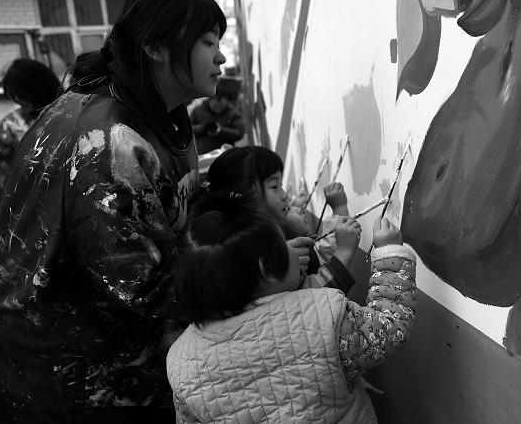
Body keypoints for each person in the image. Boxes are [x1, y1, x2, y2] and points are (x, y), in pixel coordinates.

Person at [0, 0, 226, 422]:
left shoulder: (158, 109)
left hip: (107, 351)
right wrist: (255, 265)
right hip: (66, 377)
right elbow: (147, 285)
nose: (221, 56)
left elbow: (168, 203)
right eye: (208, 42)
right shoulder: (106, 140)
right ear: (155, 47)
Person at [166, 191, 417, 423]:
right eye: (282, 244)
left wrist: (280, 257)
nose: (290, 246)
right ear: (267, 269)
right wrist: (390, 253)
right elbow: (389, 329)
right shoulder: (324, 319)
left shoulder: (181, 362)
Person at [205, 145, 358, 293]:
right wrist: (344, 250)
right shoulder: (256, 256)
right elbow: (314, 300)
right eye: (274, 186)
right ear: (243, 197)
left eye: (281, 184)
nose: (285, 195)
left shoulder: (254, 243)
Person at [0, 58, 62, 205]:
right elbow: (3, 181)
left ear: (40, 87)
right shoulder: (11, 127)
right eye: (14, 96)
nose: (19, 100)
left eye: (22, 94)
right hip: (34, 209)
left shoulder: (71, 113)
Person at [189, 77, 244, 154]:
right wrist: (203, 128)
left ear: (227, 101)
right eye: (216, 107)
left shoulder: (233, 113)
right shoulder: (198, 110)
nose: (218, 110)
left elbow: (239, 133)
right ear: (209, 101)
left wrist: (221, 130)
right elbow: (187, 130)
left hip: (224, 153)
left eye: (221, 108)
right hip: (202, 153)